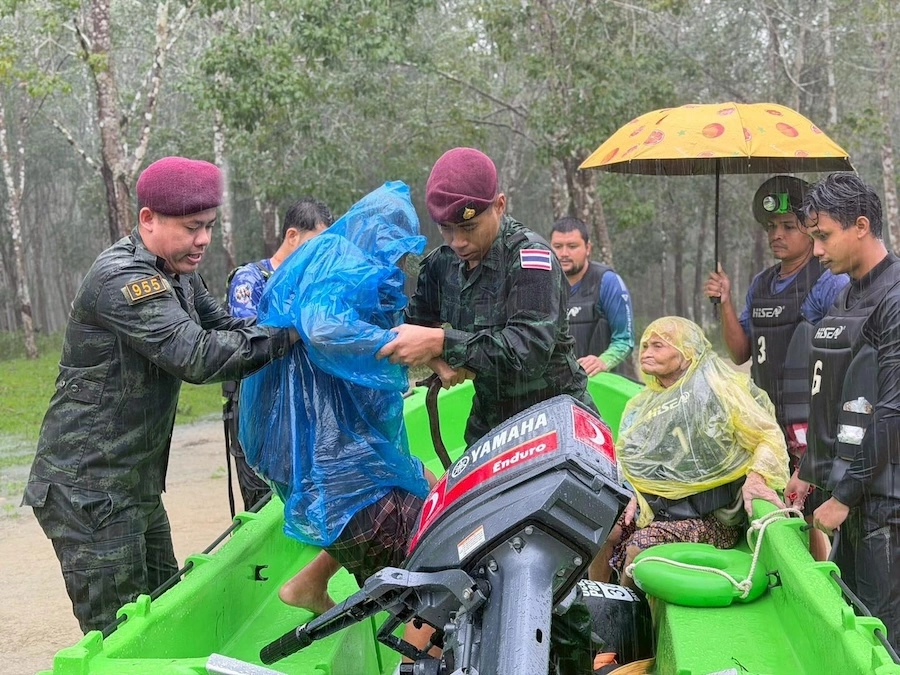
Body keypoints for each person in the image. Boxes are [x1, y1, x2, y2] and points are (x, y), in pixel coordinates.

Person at [21, 156, 298, 634]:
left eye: (209, 226)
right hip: (91, 492)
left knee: (167, 618)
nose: (204, 240)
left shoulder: (180, 273)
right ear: (148, 219)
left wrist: (295, 326)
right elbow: (198, 356)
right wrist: (293, 335)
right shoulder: (125, 278)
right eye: (193, 227)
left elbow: (229, 327)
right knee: (121, 642)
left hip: (135, 488)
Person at [237, 182, 434, 617]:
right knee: (427, 562)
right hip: (324, 454)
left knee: (429, 485)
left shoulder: (319, 266)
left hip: (300, 449)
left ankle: (311, 582)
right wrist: (398, 346)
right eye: (395, 250)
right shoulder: (337, 260)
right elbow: (325, 329)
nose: (396, 262)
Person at [377, 147, 595, 445]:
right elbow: (412, 327)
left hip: (555, 420)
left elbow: (526, 353)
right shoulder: (442, 265)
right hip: (490, 426)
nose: (458, 242)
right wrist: (437, 361)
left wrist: (440, 342)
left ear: (499, 205)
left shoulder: (531, 261)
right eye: (446, 229)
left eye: (469, 227)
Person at [704, 175, 848, 561]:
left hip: (811, 421)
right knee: (777, 505)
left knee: (813, 511)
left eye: (788, 226)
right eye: (771, 227)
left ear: (810, 229)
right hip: (765, 422)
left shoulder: (828, 281)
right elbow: (739, 353)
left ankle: (827, 587)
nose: (777, 235)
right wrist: (727, 302)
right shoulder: (762, 284)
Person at [787, 173, 899, 650]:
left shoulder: (894, 299)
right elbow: (829, 396)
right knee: (850, 623)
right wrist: (809, 469)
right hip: (846, 494)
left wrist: (847, 494)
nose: (816, 251)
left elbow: (893, 409)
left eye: (823, 236)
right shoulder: (843, 296)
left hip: (884, 505)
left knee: (882, 637)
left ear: (860, 226)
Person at [591, 317, 789, 585]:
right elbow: (628, 459)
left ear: (687, 352)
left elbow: (767, 435)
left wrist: (757, 476)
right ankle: (597, 602)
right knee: (604, 530)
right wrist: (630, 491)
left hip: (711, 516)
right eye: (645, 345)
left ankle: (629, 621)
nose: (646, 352)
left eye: (658, 345)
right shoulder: (641, 405)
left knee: (639, 549)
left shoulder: (720, 390)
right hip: (657, 508)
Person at [224, 198, 334, 512]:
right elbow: (248, 337)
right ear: (292, 236)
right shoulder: (251, 280)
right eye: (314, 244)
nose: (317, 255)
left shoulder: (311, 283)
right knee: (261, 502)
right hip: (256, 408)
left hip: (299, 410)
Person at [549, 216, 636, 378]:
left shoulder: (608, 281)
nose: (564, 253)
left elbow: (625, 340)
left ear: (588, 248)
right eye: (558, 246)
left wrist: (603, 361)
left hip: (603, 383)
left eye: (572, 246)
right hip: (558, 386)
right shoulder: (542, 285)